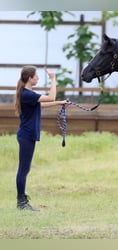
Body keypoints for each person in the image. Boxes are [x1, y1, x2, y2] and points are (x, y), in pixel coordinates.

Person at [14, 65, 69, 211]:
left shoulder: (29, 94)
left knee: (25, 168)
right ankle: (21, 202)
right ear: (30, 78)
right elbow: (51, 96)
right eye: (36, 76)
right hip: (26, 135)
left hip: (27, 135)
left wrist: (60, 103)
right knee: (23, 169)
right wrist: (53, 79)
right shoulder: (27, 94)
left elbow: (42, 105)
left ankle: (22, 199)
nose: (38, 78)